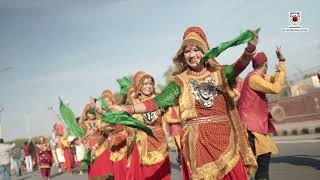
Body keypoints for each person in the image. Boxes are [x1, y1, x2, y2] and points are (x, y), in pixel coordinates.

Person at [111, 26, 258, 180]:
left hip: (227, 140)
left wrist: (249, 51)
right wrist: (126, 109)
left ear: (204, 51)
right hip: (198, 145)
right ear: (182, 56)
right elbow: (155, 103)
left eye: (196, 50)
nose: (192, 55)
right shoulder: (179, 82)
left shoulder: (220, 74)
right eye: (187, 51)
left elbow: (238, 66)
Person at [237, 47, 286, 180]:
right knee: (255, 161)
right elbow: (275, 88)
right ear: (265, 65)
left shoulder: (259, 76)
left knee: (258, 159)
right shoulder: (254, 79)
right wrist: (281, 63)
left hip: (254, 125)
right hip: (250, 126)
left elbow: (274, 79)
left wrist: (281, 63)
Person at [124, 71, 172, 180]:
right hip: (142, 144)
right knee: (144, 174)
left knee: (161, 172)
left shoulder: (160, 100)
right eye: (145, 84)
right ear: (138, 86)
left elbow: (165, 119)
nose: (148, 86)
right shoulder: (133, 103)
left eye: (150, 83)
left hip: (159, 141)